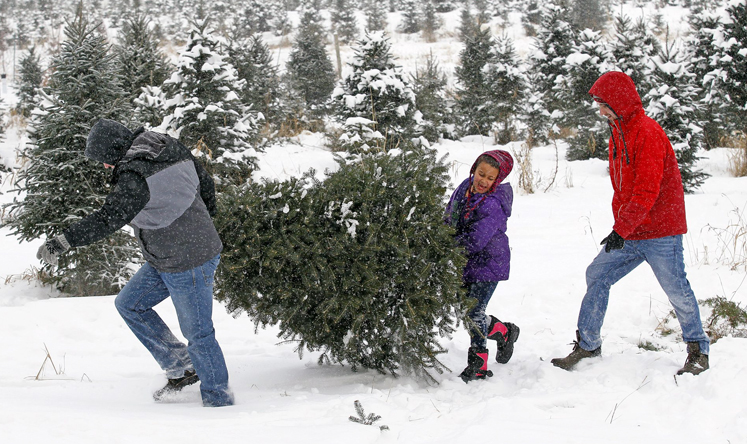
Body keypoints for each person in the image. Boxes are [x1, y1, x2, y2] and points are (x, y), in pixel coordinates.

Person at [36, 118, 234, 406]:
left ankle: (219, 400)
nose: (105, 167)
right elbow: (203, 178)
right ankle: (182, 368)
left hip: (189, 260)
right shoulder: (162, 144)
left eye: (105, 160)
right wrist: (206, 217)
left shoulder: (134, 176)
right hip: (165, 255)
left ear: (115, 149)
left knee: (198, 332)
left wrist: (64, 240)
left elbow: (108, 218)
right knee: (130, 304)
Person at [551, 71, 710, 376]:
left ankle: (697, 349)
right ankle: (588, 346)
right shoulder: (619, 131)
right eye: (599, 104)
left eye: (603, 104)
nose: (600, 111)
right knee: (597, 274)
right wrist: (622, 227)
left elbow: (646, 191)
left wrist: (619, 230)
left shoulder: (647, 133)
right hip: (631, 229)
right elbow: (623, 187)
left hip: (661, 231)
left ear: (619, 102)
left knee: (676, 288)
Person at [445, 150, 520, 383]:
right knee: (465, 311)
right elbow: (450, 213)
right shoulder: (465, 187)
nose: (483, 181)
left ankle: (478, 364)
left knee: (474, 312)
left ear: (497, 180)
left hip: (488, 263)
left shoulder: (494, 203)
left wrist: (450, 247)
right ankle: (504, 332)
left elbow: (476, 240)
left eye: (490, 178)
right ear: (474, 169)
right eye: (481, 174)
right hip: (466, 261)